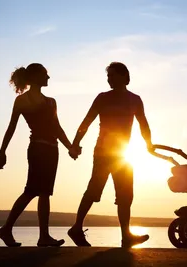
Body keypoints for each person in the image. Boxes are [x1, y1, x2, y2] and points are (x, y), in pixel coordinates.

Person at [67, 62, 153, 248]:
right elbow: (86, 122)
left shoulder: (135, 100)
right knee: (94, 190)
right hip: (103, 153)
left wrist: (149, 145)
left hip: (123, 154)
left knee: (125, 195)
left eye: (112, 75)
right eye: (108, 76)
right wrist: (75, 144)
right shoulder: (102, 98)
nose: (109, 79)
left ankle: (126, 236)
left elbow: (143, 124)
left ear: (124, 76)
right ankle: (76, 227)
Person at [0, 63, 80, 247]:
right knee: (34, 191)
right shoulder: (22, 101)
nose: (48, 78)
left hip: (52, 149)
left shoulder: (51, 101)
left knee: (43, 192)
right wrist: (2, 152)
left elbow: (56, 127)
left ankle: (38, 235)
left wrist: (70, 147)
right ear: (35, 78)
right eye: (45, 75)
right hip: (37, 148)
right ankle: (11, 230)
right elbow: (11, 128)